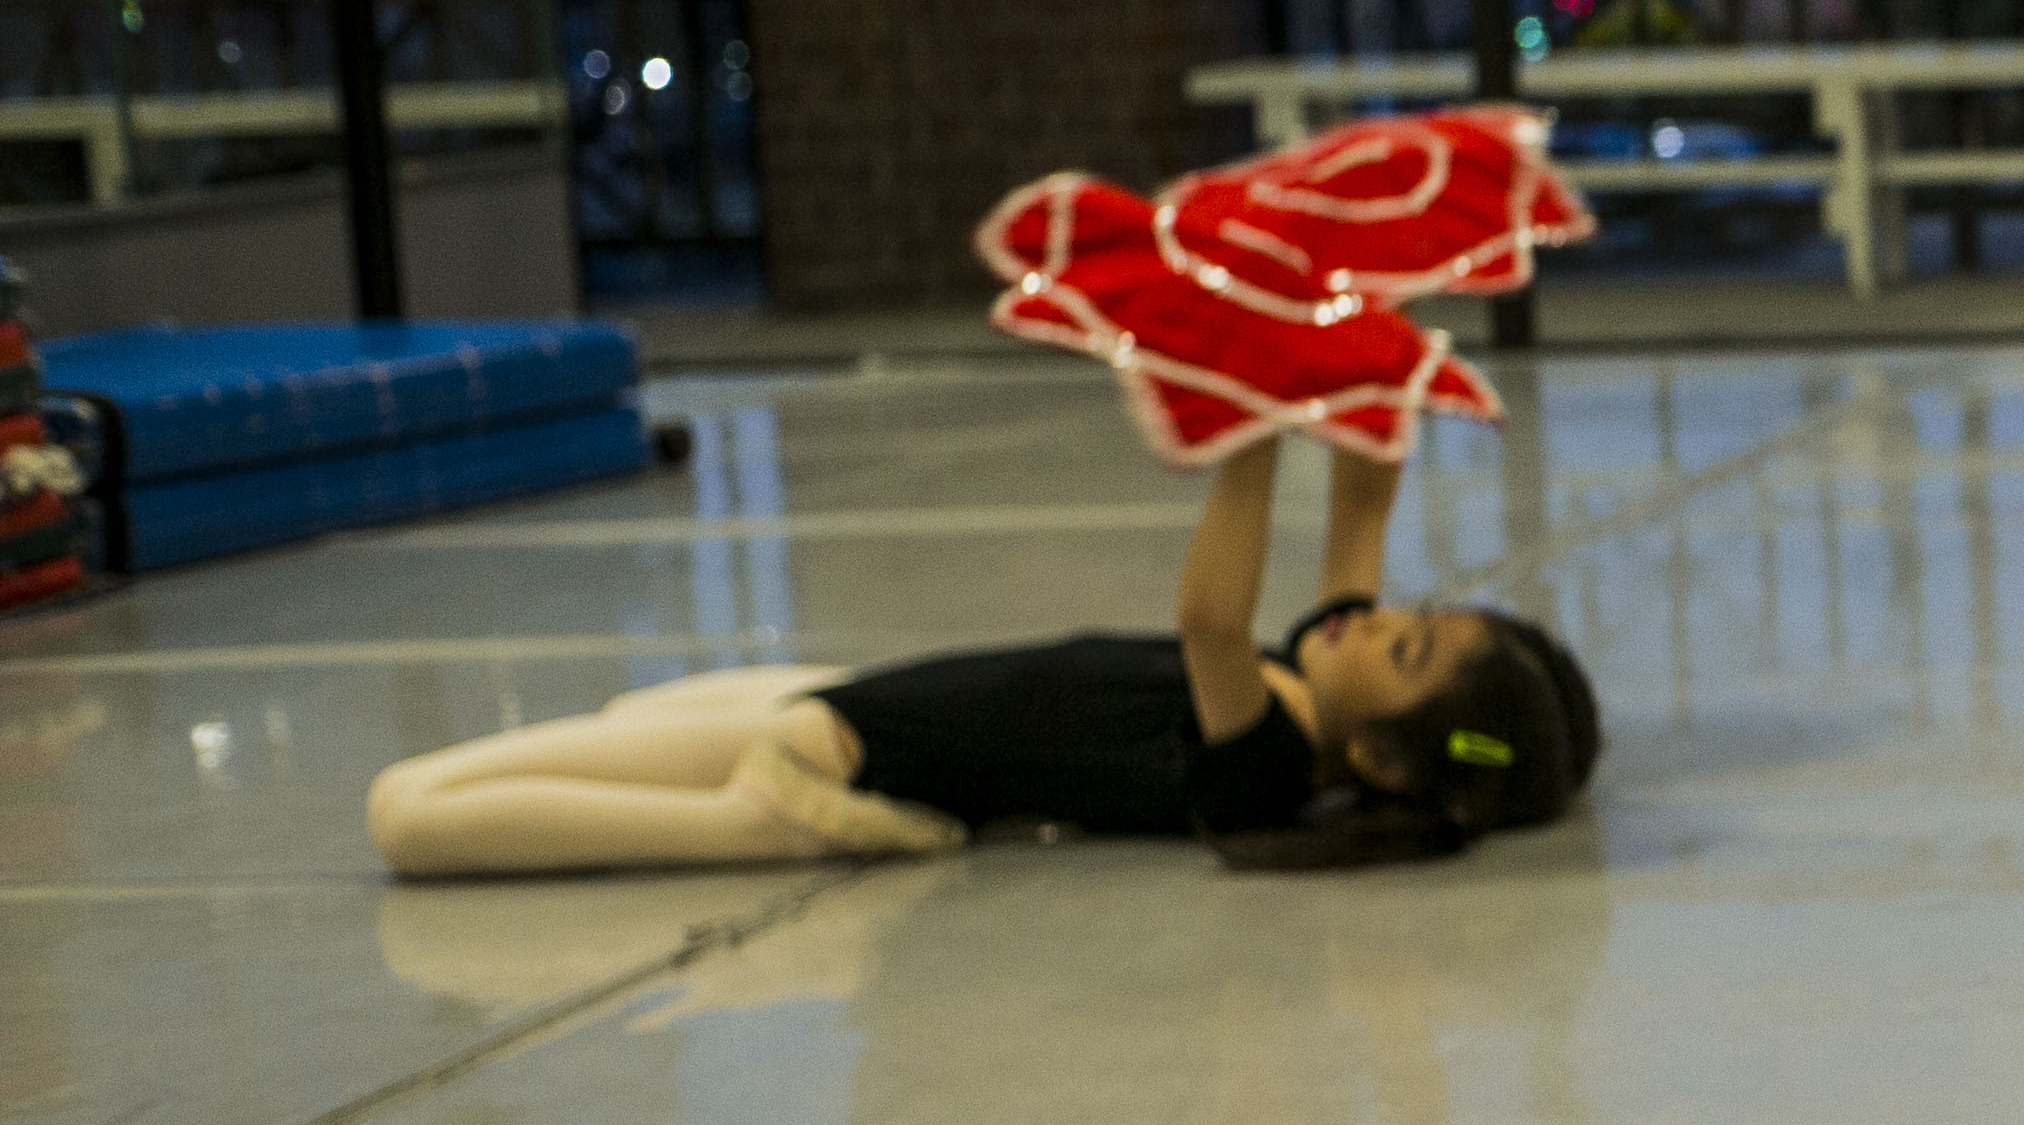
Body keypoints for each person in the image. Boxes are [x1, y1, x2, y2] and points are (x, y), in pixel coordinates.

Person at [362, 434, 1596, 879]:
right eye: (1403, 613)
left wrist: (1246, 432)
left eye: (1405, 644)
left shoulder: (1265, 760)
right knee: (635, 709)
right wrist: (1365, 419)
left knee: (406, 817)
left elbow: (1207, 617)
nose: (1371, 620)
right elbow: (1359, 533)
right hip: (840, 709)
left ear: (1377, 754)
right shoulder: (1316, 685)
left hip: (820, 783)